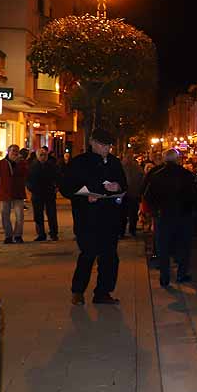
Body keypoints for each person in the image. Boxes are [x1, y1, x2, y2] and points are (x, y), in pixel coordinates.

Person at [67, 130, 128, 305]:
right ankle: (78, 291)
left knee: (109, 256)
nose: (106, 149)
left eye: (109, 146)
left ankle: (103, 291)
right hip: (87, 217)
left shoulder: (114, 163)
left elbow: (124, 185)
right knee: (88, 254)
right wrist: (85, 196)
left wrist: (118, 187)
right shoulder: (79, 163)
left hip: (109, 217)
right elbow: (67, 186)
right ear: (92, 143)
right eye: (103, 145)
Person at [144, 149, 197, 287]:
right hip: (183, 216)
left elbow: (147, 195)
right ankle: (181, 273)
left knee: (163, 247)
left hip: (163, 216)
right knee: (183, 246)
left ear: (164, 159)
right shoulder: (186, 175)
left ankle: (164, 276)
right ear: (177, 159)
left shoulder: (156, 175)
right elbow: (194, 196)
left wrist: (155, 211)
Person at [0, 144, 29, 244]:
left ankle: (18, 235)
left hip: (18, 193)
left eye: (17, 151)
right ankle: (8, 235)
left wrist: (18, 164)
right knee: (5, 216)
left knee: (20, 216)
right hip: (5, 194)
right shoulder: (0, 164)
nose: (15, 153)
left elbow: (26, 175)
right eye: (13, 151)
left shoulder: (22, 164)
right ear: (8, 152)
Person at [27, 148, 61, 241]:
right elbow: (28, 179)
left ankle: (53, 233)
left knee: (51, 214)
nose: (43, 157)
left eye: (45, 155)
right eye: (41, 155)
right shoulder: (32, 166)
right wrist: (31, 189)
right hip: (37, 193)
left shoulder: (52, 165)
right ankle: (41, 234)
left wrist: (57, 187)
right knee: (38, 215)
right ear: (37, 156)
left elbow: (58, 177)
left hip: (49, 193)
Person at [122, 155, 145, 237]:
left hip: (126, 194)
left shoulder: (122, 167)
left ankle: (124, 231)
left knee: (126, 214)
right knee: (130, 214)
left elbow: (141, 180)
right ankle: (131, 230)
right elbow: (142, 181)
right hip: (130, 194)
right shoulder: (137, 168)